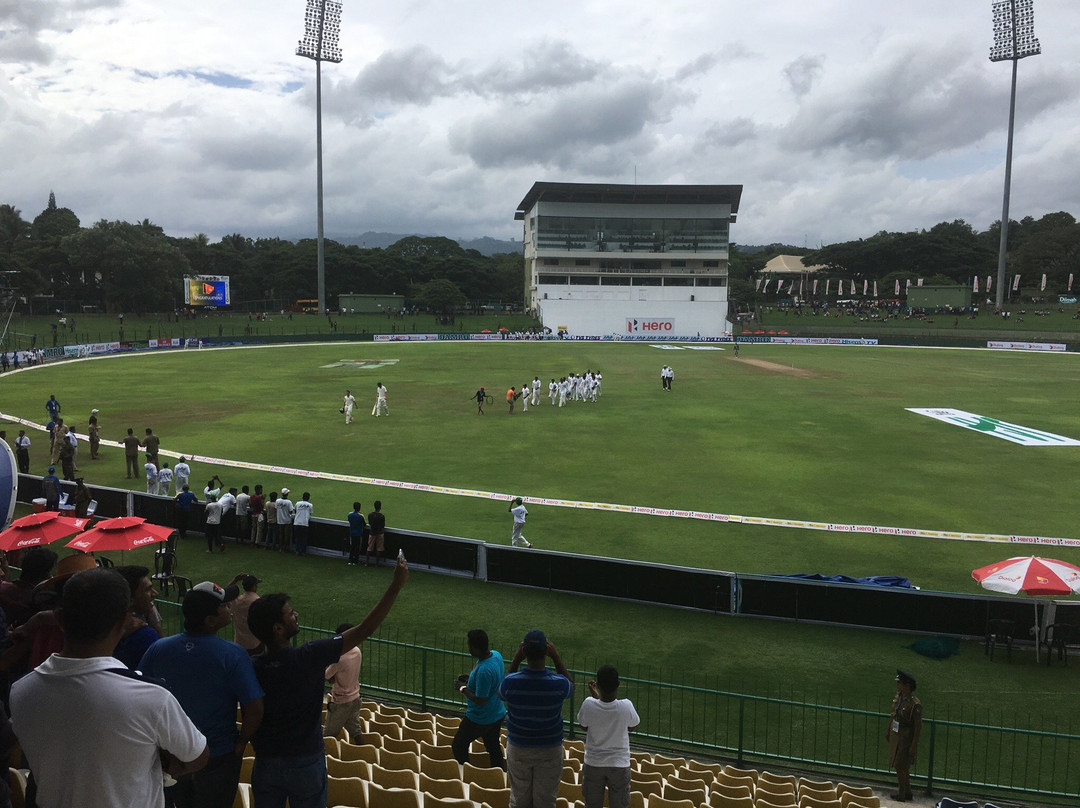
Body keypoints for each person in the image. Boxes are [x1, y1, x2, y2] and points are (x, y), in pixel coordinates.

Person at [10, 567, 208, 808]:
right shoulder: (151, 697)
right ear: (125, 621)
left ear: (59, 618)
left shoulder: (20, 692)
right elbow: (197, 755)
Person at [246, 556, 409, 808]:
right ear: (278, 628)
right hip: (305, 763)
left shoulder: (250, 667)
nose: (296, 614)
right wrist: (396, 585)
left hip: (266, 762)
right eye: (291, 614)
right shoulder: (308, 656)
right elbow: (365, 628)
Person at [139, 579, 264, 808]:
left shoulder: (158, 649)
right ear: (210, 620)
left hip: (171, 755)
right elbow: (255, 709)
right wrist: (241, 742)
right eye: (224, 606)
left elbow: (139, 699)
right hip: (218, 756)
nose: (229, 608)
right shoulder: (232, 654)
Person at [499, 629, 574, 808]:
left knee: (519, 800)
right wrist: (556, 658)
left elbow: (502, 691)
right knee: (546, 802)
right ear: (546, 652)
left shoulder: (511, 682)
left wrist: (516, 659)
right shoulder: (558, 683)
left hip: (518, 747)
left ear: (524, 651)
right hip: (549, 749)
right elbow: (571, 686)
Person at [577, 665, 639, 808]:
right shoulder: (626, 706)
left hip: (594, 764)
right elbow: (632, 726)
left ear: (597, 685)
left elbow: (584, 725)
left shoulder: (588, 704)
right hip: (619, 766)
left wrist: (595, 698)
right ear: (618, 684)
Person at [452, 629, 506, 769]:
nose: (468, 648)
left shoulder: (483, 670)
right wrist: (471, 680)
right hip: (497, 714)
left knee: (458, 745)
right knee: (493, 746)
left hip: (480, 718)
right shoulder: (496, 656)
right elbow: (491, 683)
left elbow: (481, 700)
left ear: (475, 647)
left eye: (469, 645)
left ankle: (468, 773)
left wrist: (462, 688)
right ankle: (500, 773)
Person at [112, 565, 161, 669]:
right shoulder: (145, 636)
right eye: (148, 590)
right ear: (130, 598)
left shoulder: (99, 632)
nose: (155, 594)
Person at [323, 622, 364, 742]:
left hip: (341, 702)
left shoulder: (339, 658)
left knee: (328, 736)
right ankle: (365, 755)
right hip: (355, 698)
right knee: (356, 731)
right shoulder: (357, 651)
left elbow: (327, 676)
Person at [886, 669, 923, 802]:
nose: (898, 685)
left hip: (906, 738)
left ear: (907, 685)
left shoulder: (915, 705)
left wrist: (913, 745)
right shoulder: (899, 697)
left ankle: (902, 794)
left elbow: (918, 727)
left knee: (900, 766)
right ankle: (907, 792)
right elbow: (893, 714)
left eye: (900, 683)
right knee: (901, 765)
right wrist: (888, 729)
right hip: (897, 735)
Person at [230, 575, 262, 654]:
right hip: (255, 644)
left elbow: (225, 593)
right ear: (254, 586)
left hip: (239, 644)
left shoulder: (236, 601)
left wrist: (235, 579)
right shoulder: (258, 602)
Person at [365, 500, 386, 567]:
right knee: (379, 549)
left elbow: (370, 523)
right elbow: (383, 525)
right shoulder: (382, 516)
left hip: (372, 533)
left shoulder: (370, 515)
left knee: (369, 548)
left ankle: (367, 562)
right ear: (380, 507)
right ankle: (376, 564)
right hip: (380, 533)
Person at [347, 502, 367, 566]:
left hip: (352, 533)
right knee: (357, 547)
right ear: (359, 508)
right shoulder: (361, 516)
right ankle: (355, 560)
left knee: (352, 546)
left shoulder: (350, 515)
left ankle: (350, 560)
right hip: (358, 534)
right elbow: (364, 524)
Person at [276, 488, 294, 553]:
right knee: (286, 535)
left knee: (281, 534)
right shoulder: (289, 502)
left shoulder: (277, 501)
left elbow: (276, 508)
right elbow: (291, 511)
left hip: (280, 520)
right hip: (287, 520)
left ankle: (280, 548)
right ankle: (285, 548)